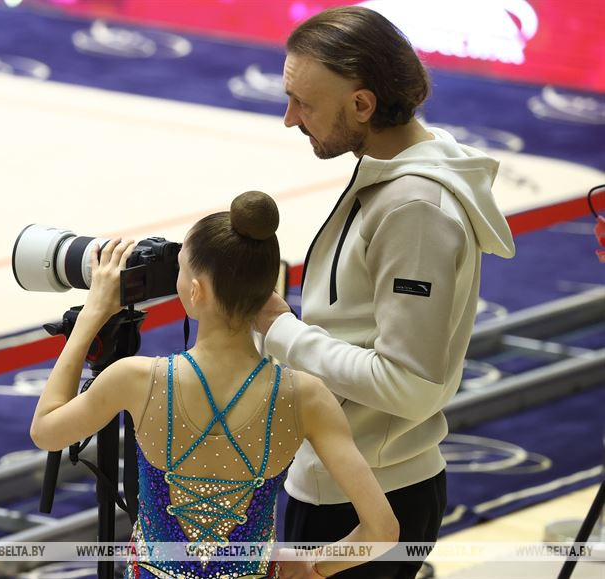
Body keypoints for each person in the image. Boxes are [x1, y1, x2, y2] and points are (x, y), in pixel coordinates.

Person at [254, 6, 517, 579]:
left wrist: (281, 331)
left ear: (362, 105)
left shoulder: (414, 208)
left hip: (362, 499)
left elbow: (410, 385)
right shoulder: (397, 164)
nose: (290, 118)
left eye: (303, 103)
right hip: (352, 478)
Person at [30, 191, 398, 579]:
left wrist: (93, 312)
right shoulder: (305, 396)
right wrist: (314, 565)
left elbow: (45, 430)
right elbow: (383, 531)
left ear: (196, 291)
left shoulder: (137, 379)